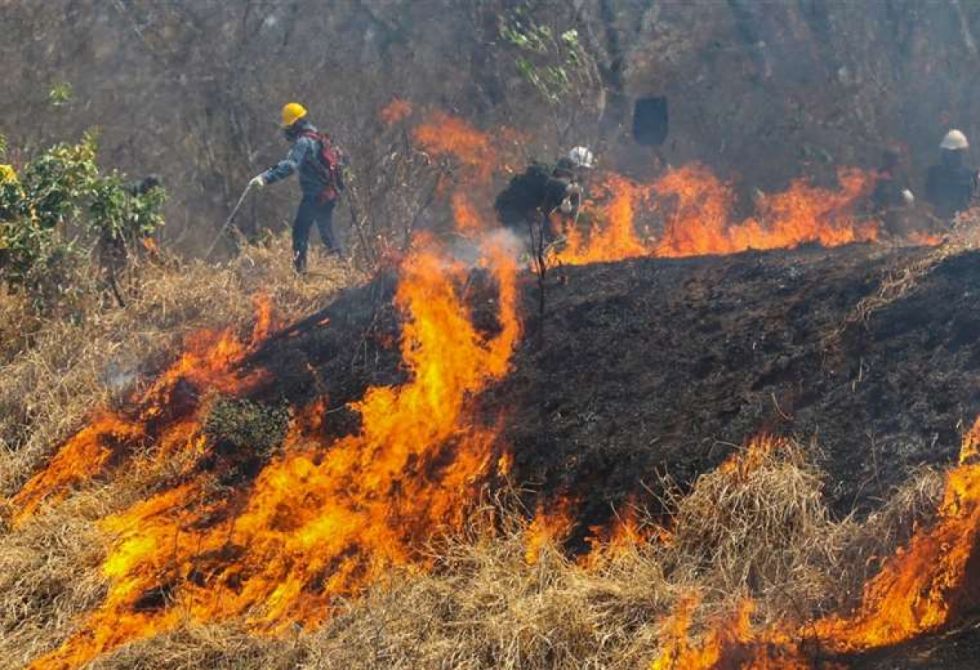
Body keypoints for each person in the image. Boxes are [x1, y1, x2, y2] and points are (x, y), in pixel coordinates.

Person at [250, 102, 345, 272]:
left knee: (300, 233)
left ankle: (300, 275)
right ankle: (344, 267)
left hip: (314, 196)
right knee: (327, 234)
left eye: (288, 126)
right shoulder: (317, 135)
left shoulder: (304, 142)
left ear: (295, 123)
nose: (287, 130)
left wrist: (265, 178)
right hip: (329, 193)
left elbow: (291, 165)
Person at [494, 146, 594, 242]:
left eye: (586, 171)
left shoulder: (561, 184)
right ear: (573, 167)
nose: (584, 174)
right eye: (582, 170)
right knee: (521, 243)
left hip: (523, 214)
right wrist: (568, 189)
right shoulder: (548, 177)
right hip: (513, 211)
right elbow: (554, 185)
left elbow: (550, 213)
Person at [924, 129, 977, 220]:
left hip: (962, 225)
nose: (956, 156)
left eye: (959, 152)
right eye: (953, 153)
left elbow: (973, 202)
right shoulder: (934, 173)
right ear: (944, 153)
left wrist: (968, 214)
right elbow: (927, 202)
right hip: (938, 224)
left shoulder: (969, 175)